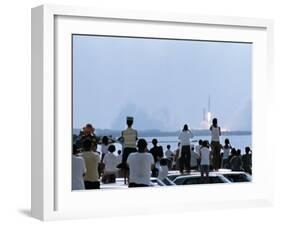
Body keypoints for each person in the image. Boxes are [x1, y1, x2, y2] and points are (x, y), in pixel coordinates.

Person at [120, 116, 138, 184]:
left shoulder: (123, 132)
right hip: (133, 149)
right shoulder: (135, 131)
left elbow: (122, 140)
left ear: (126, 123)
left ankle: (126, 180)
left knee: (125, 165)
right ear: (132, 123)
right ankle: (133, 179)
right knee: (134, 165)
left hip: (126, 149)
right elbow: (136, 139)